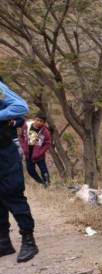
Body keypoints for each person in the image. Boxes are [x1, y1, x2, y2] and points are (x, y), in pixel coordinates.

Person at [0, 79, 39, 263]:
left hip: (4, 152)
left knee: (12, 192)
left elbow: (20, 107)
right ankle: (3, 243)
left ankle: (29, 241)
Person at [21, 113, 52, 186]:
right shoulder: (27, 126)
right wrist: (24, 147)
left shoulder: (45, 131)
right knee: (30, 170)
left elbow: (48, 143)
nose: (38, 122)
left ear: (44, 123)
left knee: (44, 170)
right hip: (28, 154)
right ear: (34, 119)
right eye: (37, 120)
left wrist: (40, 152)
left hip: (39, 155)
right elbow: (21, 136)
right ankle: (41, 183)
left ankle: (48, 184)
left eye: (41, 121)